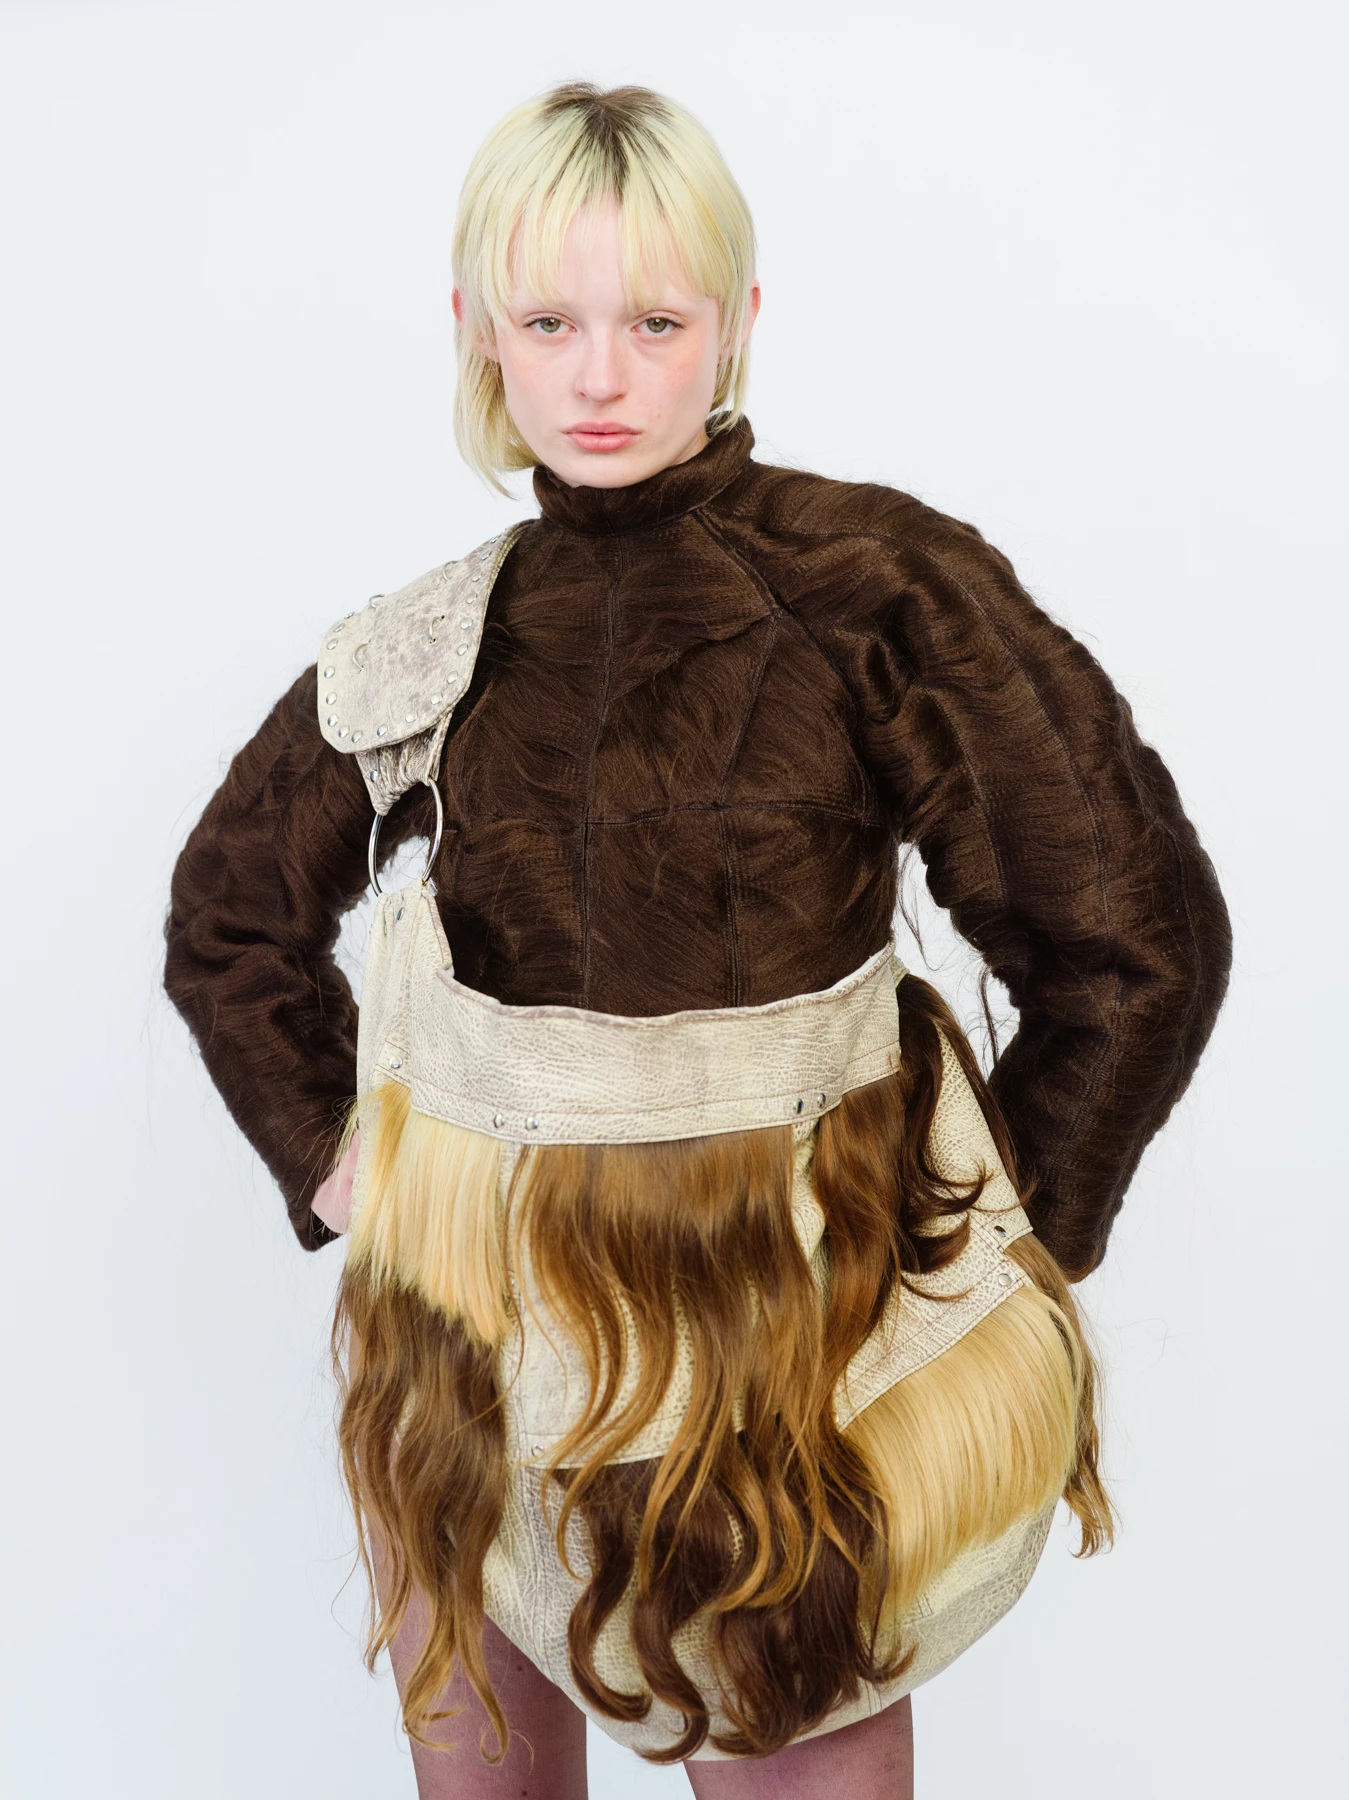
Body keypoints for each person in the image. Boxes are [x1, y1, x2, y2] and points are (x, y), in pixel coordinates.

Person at [163, 83, 1233, 1798]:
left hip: (785, 1372)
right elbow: (229, 920)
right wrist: (349, 1174)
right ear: (476, 334)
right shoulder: (426, 642)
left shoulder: (880, 586)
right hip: (462, 1365)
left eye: (655, 321)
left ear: (738, 325)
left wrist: (986, 1263)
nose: (601, 375)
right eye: (550, 321)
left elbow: (1130, 934)